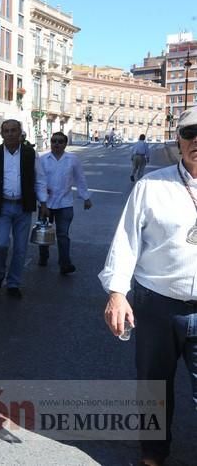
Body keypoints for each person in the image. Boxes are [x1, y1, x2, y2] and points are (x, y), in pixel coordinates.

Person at [99, 107, 197, 466]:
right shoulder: (151, 185)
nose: (196, 140)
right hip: (157, 304)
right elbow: (126, 241)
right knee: (154, 389)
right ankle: (154, 455)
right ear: (179, 141)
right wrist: (117, 292)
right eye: (190, 133)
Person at [0, 119, 49, 298]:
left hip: (23, 208)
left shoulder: (30, 154)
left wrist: (44, 203)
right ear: (1, 134)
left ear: (20, 133)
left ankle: (13, 283)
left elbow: (40, 180)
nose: (10, 134)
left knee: (20, 248)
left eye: (13, 130)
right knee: (1, 244)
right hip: (2, 206)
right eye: (6, 131)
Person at [38, 132, 92, 274]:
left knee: (63, 235)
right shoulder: (43, 160)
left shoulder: (73, 160)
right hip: (46, 203)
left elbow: (80, 179)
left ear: (65, 144)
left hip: (65, 203)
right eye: (54, 141)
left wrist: (86, 197)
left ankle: (65, 263)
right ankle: (43, 256)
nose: (56, 144)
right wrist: (42, 193)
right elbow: (37, 180)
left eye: (60, 141)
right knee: (43, 233)